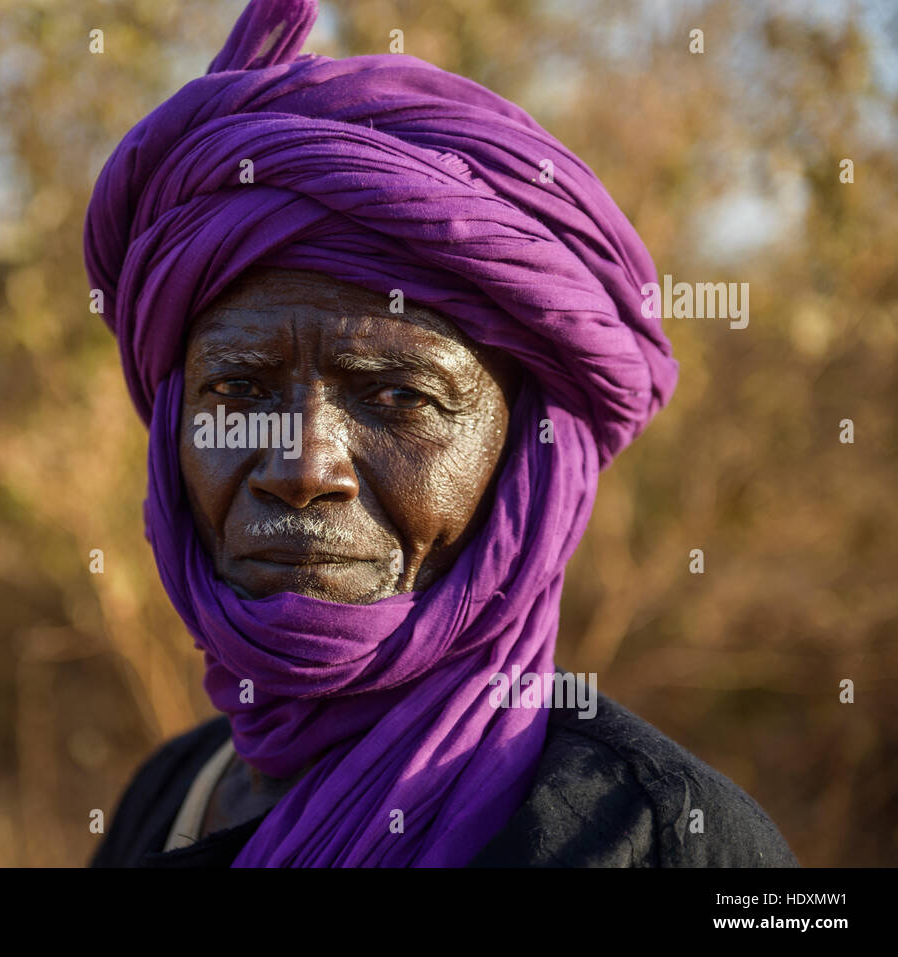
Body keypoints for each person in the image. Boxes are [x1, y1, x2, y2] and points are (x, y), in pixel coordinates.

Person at [81, 0, 797, 867]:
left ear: (530, 455)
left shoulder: (659, 841)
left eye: (399, 398)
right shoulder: (166, 798)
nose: (303, 468)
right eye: (237, 389)